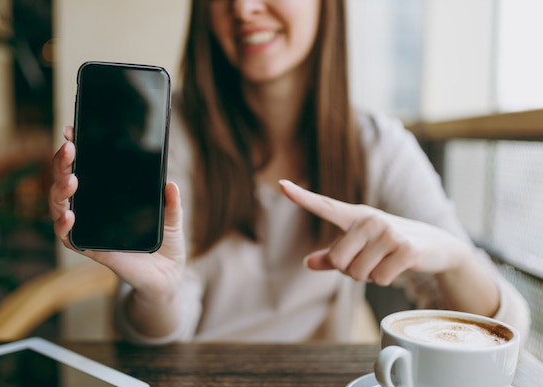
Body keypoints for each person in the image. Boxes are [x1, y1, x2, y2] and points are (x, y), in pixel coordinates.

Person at [50, 0, 530, 344]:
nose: (242, 8)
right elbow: (159, 334)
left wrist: (454, 255)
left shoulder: (376, 145)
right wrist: (160, 293)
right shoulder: (170, 138)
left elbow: (502, 329)